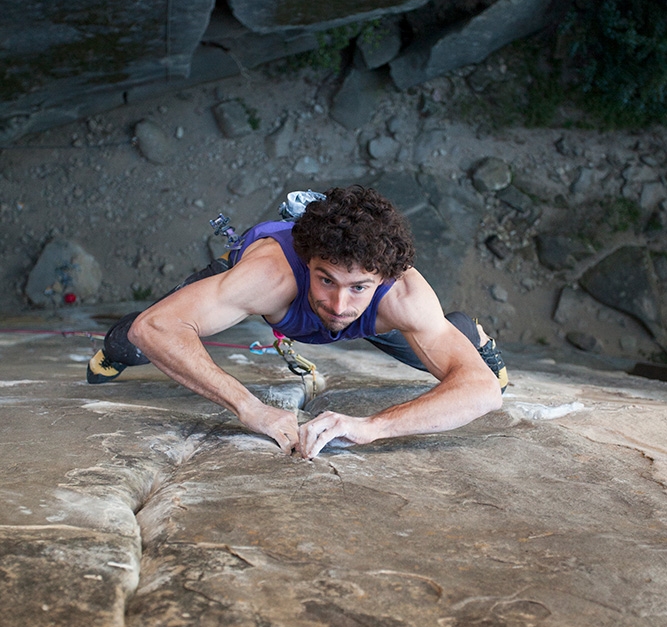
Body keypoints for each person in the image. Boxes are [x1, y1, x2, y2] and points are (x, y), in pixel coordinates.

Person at [87, 185, 507, 459]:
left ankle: (474, 338)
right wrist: (249, 407)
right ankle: (114, 351)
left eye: (359, 286)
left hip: (375, 322)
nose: (339, 304)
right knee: (133, 338)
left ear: (384, 277)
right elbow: (157, 328)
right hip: (268, 290)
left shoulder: (403, 295)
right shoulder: (270, 275)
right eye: (327, 279)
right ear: (308, 261)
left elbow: (482, 392)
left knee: (457, 348)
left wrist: (373, 427)